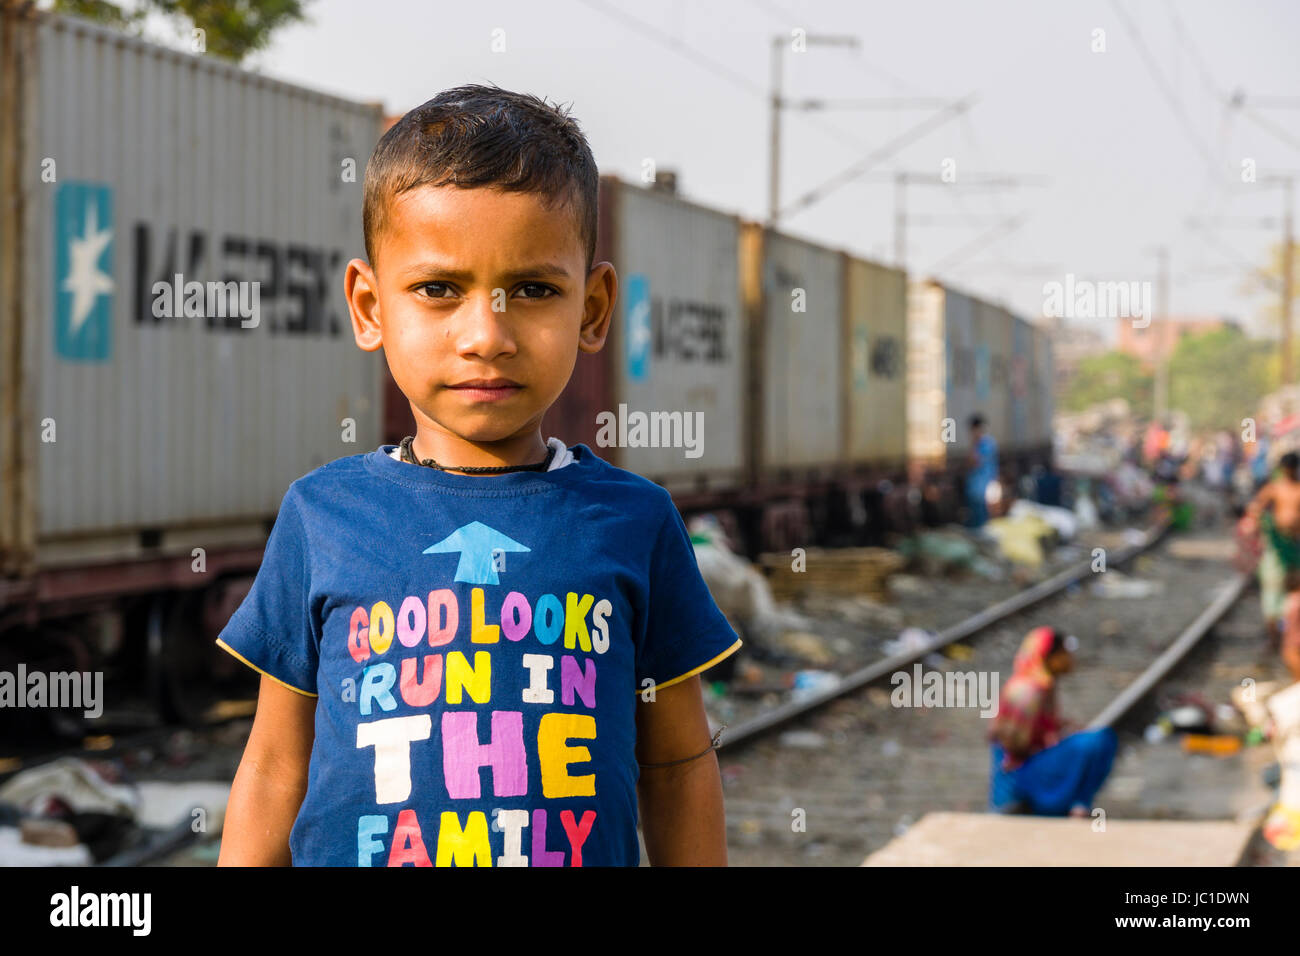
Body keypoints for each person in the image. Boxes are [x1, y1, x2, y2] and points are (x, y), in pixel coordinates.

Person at [215, 86, 742, 867]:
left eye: (533, 290)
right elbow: (272, 768)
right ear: (369, 306)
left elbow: (677, 764)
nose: (486, 335)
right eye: (438, 290)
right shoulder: (322, 516)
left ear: (594, 308)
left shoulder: (635, 522)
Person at [988, 627, 1117, 817]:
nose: (1070, 658)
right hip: (1021, 776)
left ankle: (1076, 803)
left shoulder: (1040, 684)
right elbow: (1014, 744)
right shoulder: (1027, 691)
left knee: (1097, 740)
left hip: (1029, 767)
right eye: (1064, 652)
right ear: (1049, 655)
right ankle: (1072, 804)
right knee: (1097, 741)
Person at [1241, 451, 1300, 676]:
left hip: (1295, 546)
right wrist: (1258, 525)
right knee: (1273, 592)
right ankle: (1275, 637)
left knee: (1293, 595)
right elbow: (1255, 508)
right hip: (1278, 547)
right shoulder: (1275, 488)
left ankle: (1289, 638)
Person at [965, 413, 998, 528]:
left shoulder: (985, 444)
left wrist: (973, 444)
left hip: (981, 488)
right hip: (976, 488)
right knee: (977, 517)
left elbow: (974, 462)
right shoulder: (985, 443)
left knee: (981, 519)